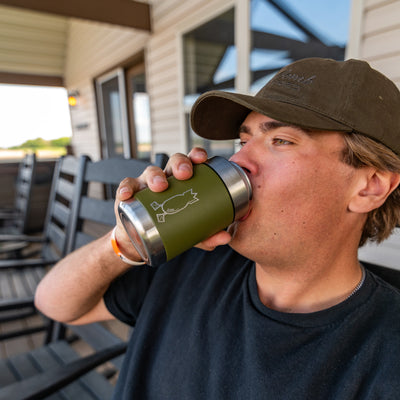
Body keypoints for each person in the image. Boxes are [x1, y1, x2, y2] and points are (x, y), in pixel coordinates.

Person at [35, 58, 400, 399]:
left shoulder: (385, 355)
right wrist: (124, 244)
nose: (238, 161)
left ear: (370, 186)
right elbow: (56, 305)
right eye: (243, 141)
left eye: (281, 141)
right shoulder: (192, 255)